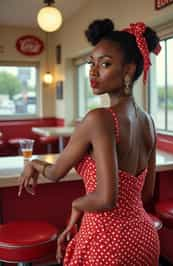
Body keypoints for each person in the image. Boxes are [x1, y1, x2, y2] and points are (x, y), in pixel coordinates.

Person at [18, 18, 161, 266]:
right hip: (144, 238)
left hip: (108, 244)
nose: (93, 72)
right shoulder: (148, 122)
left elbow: (60, 175)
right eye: (90, 64)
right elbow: (145, 194)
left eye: (104, 64)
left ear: (129, 69)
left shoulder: (99, 119)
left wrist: (76, 204)